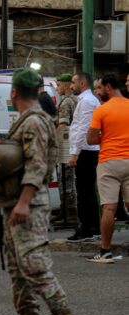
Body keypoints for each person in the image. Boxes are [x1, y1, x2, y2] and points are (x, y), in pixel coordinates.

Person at [0, 68, 74, 315]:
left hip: (28, 205)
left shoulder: (34, 121)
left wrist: (23, 202)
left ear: (13, 92)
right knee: (18, 274)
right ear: (37, 91)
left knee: (36, 269)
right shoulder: (27, 119)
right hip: (13, 204)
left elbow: (36, 164)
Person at [86, 74, 129, 264]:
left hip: (109, 161)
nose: (99, 92)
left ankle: (105, 251)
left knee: (109, 207)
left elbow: (91, 139)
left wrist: (104, 135)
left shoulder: (102, 110)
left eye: (100, 88)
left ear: (109, 87)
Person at [67, 72, 100, 242]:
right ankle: (93, 227)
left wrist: (74, 153)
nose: (71, 86)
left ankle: (86, 229)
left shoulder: (86, 102)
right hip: (89, 150)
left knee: (83, 191)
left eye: (73, 82)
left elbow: (83, 129)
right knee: (88, 191)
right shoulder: (89, 101)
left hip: (85, 151)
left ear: (82, 83)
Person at [53, 73, 78, 225]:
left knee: (66, 181)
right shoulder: (77, 100)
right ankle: (68, 212)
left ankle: (69, 215)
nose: (57, 88)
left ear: (67, 85)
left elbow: (63, 125)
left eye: (59, 85)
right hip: (75, 146)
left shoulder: (65, 103)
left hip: (66, 146)